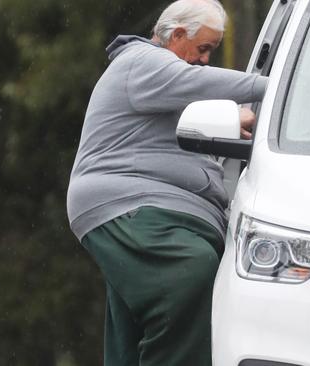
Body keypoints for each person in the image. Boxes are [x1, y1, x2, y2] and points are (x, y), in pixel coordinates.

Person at [66, 0, 267, 365]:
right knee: (191, 270)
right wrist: (274, 88)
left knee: (129, 329)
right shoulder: (144, 62)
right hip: (128, 204)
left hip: (137, 208)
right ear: (176, 35)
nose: (207, 60)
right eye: (204, 48)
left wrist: (233, 117)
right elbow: (194, 82)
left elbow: (191, 107)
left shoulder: (161, 81)